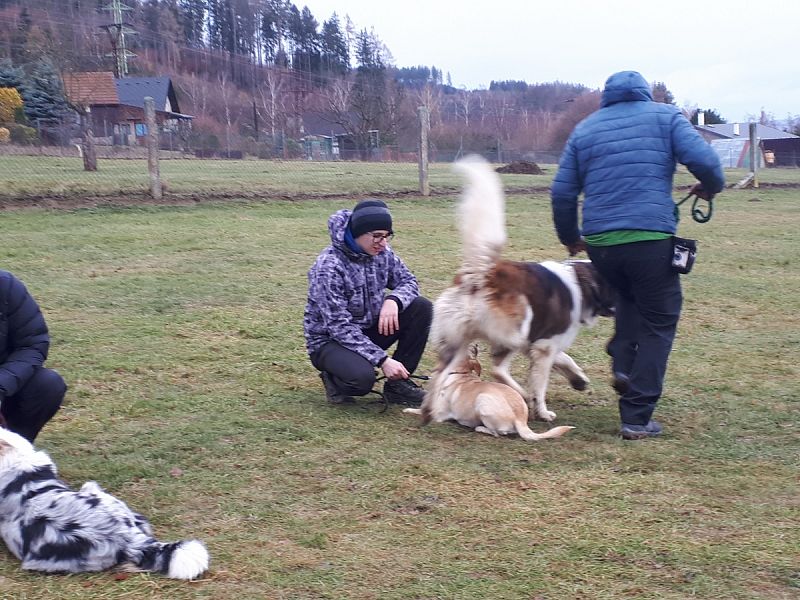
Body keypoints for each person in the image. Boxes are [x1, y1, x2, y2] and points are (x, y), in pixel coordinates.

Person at [550, 70, 724, 440]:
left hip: (601, 244)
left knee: (627, 300)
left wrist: (571, 238)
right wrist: (709, 188)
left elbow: (562, 193)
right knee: (660, 322)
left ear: (607, 97)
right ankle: (637, 416)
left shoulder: (586, 128)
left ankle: (624, 363)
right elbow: (707, 164)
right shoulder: (667, 116)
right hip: (650, 238)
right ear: (645, 94)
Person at [304, 199, 432, 406]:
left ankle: (399, 386)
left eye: (387, 235)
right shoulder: (328, 267)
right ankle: (335, 380)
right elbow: (338, 327)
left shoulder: (383, 253)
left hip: (367, 329)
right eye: (377, 236)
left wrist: (393, 300)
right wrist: (383, 360)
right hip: (330, 341)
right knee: (362, 380)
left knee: (421, 307)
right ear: (357, 233)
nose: (383, 243)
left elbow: (409, 281)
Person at [0, 270, 67, 442]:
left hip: (5, 384)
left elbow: (32, 344)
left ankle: (13, 448)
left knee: (47, 384)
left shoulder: (6, 285)